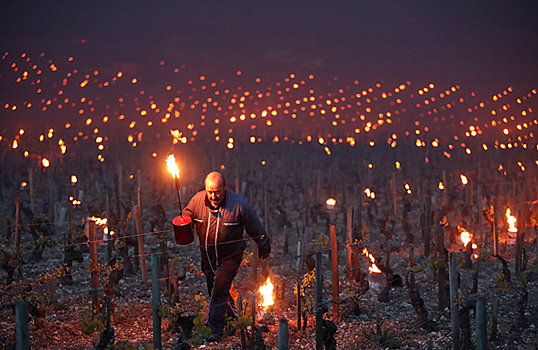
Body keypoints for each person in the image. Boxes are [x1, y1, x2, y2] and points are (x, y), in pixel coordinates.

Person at [183, 171, 271, 342]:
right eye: (210, 191)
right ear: (205, 189)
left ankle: (215, 330)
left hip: (231, 254)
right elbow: (186, 215)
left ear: (224, 187)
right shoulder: (197, 200)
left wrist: (263, 244)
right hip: (207, 254)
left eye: (217, 191)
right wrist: (182, 222)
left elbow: (255, 226)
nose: (214, 195)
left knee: (219, 289)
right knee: (214, 289)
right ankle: (232, 320)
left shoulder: (239, 204)